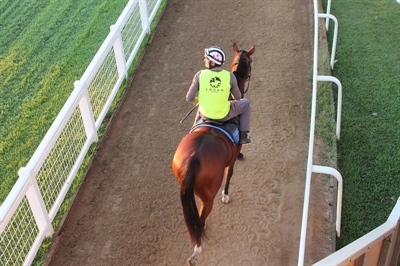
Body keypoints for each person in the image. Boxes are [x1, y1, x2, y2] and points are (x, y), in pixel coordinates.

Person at [186, 46, 252, 144]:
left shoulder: (199, 74)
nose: (204, 60)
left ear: (212, 62)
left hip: (205, 115)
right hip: (223, 115)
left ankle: (191, 133)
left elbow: (189, 98)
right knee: (246, 104)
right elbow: (237, 98)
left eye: (206, 58)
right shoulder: (230, 76)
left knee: (200, 108)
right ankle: (243, 136)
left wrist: (200, 100)